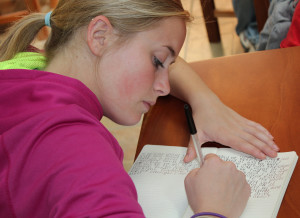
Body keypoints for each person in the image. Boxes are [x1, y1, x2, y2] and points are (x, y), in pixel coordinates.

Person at [0, 0, 278, 217]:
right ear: (99, 35)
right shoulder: (72, 146)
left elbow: (156, 52)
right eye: (158, 62)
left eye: (168, 65)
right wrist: (215, 209)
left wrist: (206, 102)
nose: (165, 87)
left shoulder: (25, 63)